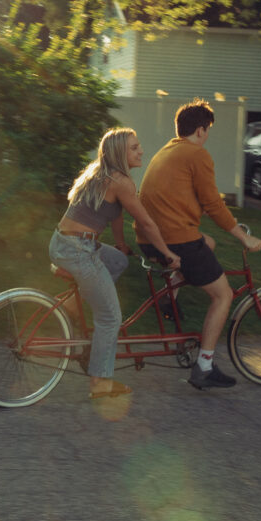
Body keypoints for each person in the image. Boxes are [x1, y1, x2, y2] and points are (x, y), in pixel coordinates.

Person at [136, 99, 261, 390]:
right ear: (202, 130)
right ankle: (204, 366)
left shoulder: (168, 150)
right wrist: (244, 237)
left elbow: (178, 196)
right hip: (175, 240)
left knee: (209, 242)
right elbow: (214, 206)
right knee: (223, 296)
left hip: (149, 239)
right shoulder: (197, 155)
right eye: (208, 130)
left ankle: (172, 290)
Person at [49, 127, 181, 400]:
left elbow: (116, 215)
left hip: (65, 243)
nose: (141, 150)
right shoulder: (121, 181)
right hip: (78, 250)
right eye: (134, 147)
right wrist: (167, 253)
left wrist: (121, 245)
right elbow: (145, 221)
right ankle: (100, 384)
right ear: (120, 153)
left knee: (118, 261)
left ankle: (73, 305)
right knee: (110, 317)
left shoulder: (100, 173)